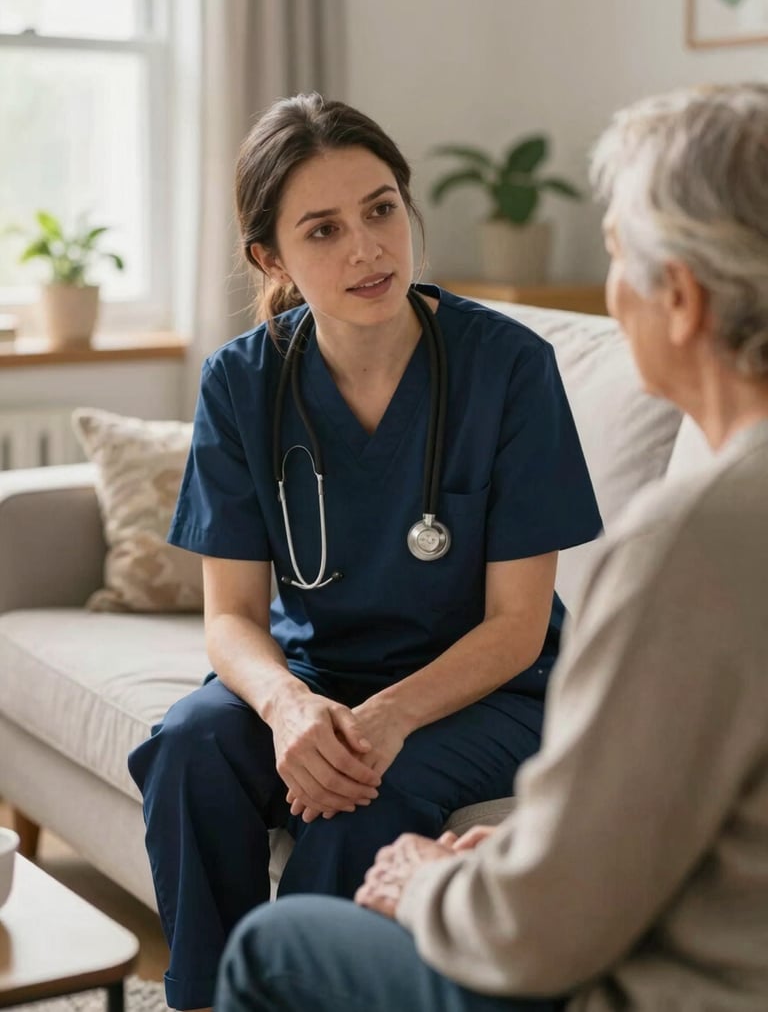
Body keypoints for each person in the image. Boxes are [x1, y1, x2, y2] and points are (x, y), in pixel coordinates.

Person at [214, 82, 768, 1012]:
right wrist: (510, 857)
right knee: (196, 745)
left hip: (672, 984)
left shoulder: (692, 543)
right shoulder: (247, 379)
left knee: (275, 946)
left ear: (676, 296)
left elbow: (547, 927)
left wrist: (428, 880)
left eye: (615, 258)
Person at [126, 93, 602, 1011]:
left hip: (496, 691)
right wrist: (289, 704)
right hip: (317, 671)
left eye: (381, 209)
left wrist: (381, 720)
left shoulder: (508, 367)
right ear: (272, 257)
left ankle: (290, 991)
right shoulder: (242, 382)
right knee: (190, 747)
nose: (367, 249)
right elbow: (228, 616)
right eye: (324, 229)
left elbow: (516, 627)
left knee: (368, 794)